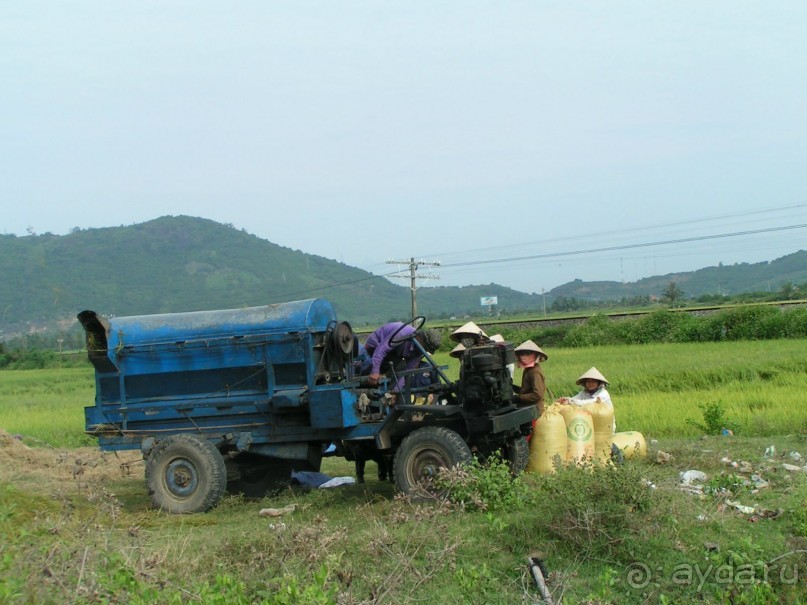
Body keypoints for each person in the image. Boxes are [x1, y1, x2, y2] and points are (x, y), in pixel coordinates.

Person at [361, 322, 442, 387]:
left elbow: (407, 372)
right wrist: (375, 371)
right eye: (425, 347)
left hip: (393, 354)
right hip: (375, 346)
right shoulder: (402, 333)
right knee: (400, 365)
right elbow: (381, 350)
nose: (424, 351)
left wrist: (396, 392)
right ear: (420, 339)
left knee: (401, 370)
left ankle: (391, 393)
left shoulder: (419, 351)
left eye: (427, 350)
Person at [511, 340, 548, 414]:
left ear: (536, 355)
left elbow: (537, 395)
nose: (523, 357)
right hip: (528, 406)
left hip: (534, 409)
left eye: (528, 353)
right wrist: (512, 387)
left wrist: (518, 398)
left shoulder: (535, 372)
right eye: (521, 354)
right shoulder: (528, 370)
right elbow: (527, 390)